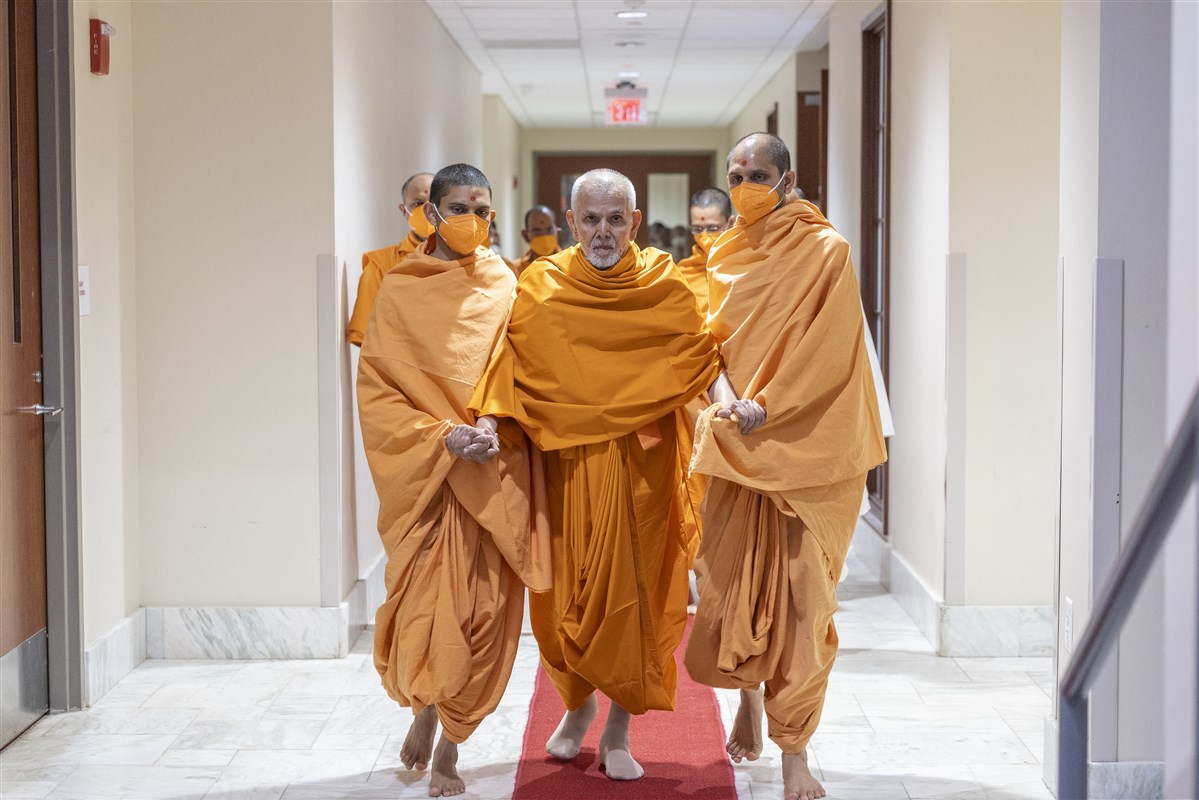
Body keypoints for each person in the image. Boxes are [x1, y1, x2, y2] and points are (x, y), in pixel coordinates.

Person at [466, 169, 724, 781]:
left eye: (615, 219)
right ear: (571, 221)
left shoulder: (663, 285)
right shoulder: (542, 285)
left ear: (635, 222)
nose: (603, 231)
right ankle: (577, 705)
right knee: (563, 598)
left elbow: (699, 361)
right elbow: (511, 364)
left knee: (635, 594)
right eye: (590, 219)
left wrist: (730, 410)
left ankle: (618, 729)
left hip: (642, 467)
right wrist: (488, 422)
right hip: (567, 467)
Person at [683, 132, 887, 800]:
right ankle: (747, 695)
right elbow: (711, 348)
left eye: (758, 174)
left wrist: (766, 407)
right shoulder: (723, 254)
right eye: (735, 174)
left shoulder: (826, 251)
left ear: (787, 181)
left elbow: (827, 352)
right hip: (739, 446)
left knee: (804, 604)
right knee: (730, 587)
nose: (745, 185)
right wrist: (727, 404)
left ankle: (794, 749)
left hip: (809, 449)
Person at [356, 163, 551, 798]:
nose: (472, 219)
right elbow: (379, 391)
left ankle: (451, 740)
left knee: (485, 614)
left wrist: (490, 422)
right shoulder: (401, 288)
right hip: (431, 478)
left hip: (493, 467)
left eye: (482, 209)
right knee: (428, 607)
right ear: (433, 213)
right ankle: (425, 707)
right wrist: (444, 438)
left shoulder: (504, 282)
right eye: (459, 208)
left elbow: (519, 368)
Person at [346, 172, 434, 346]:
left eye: (433, 203)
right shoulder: (381, 264)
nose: (426, 210)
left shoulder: (470, 261)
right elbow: (366, 335)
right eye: (417, 203)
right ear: (404, 210)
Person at [675, 187, 735, 317]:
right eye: (697, 229)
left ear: (730, 223)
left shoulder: (744, 265)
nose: (704, 236)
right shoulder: (683, 273)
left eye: (712, 229)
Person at [515, 204, 561, 276]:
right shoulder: (515, 269)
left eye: (549, 229)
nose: (543, 234)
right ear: (525, 236)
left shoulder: (570, 265)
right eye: (536, 231)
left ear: (558, 233)